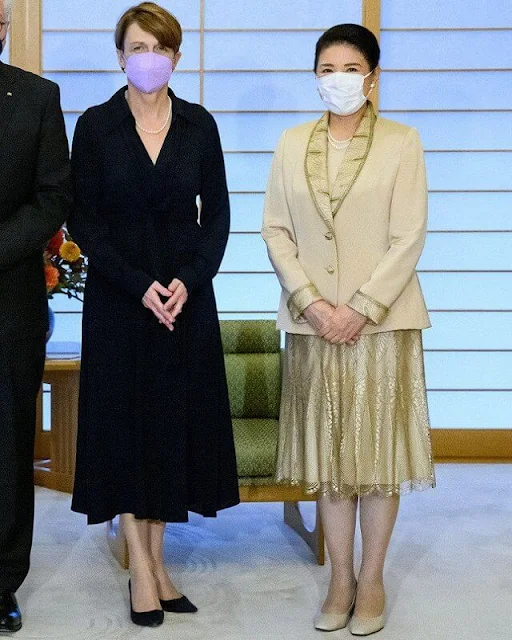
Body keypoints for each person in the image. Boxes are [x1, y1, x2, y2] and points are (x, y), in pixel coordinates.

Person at [68, 2, 239, 628]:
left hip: (184, 303)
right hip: (119, 301)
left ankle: (160, 563)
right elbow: (83, 219)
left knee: (170, 431)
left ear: (176, 56)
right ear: (120, 55)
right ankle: (140, 570)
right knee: (125, 433)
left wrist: (187, 283)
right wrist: (141, 285)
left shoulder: (199, 125)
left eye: (161, 47)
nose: (149, 57)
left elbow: (216, 216)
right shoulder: (95, 125)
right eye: (138, 46)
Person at [262, 24, 435, 637]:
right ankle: (339, 578)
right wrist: (312, 304)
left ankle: (372, 578)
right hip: (313, 326)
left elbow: (408, 234)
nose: (338, 77)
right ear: (316, 76)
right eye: (327, 67)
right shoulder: (289, 143)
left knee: (377, 458)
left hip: (381, 326)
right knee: (331, 458)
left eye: (350, 66)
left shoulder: (401, 142)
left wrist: (359, 308)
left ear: (372, 76)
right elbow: (275, 231)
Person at [0, 0, 72, 632]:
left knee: (7, 442)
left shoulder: (37, 97)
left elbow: (52, 195)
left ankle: (0, 584)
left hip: (10, 297)